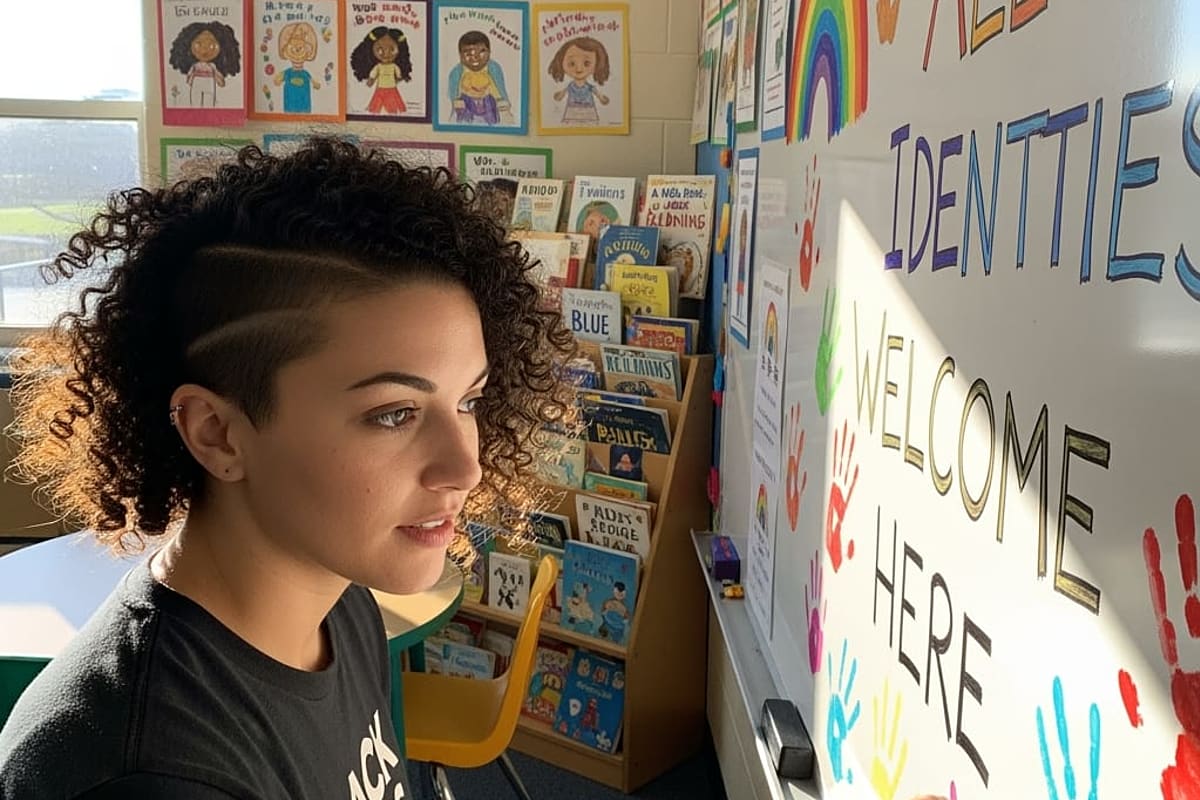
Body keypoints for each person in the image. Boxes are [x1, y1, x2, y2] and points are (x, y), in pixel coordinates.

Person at [0, 138, 577, 798]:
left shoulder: (344, 603)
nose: (465, 466)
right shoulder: (158, 770)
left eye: (467, 400)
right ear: (218, 434)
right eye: (394, 413)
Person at [167, 20, 242, 107]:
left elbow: (218, 76)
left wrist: (220, 81)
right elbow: (190, 76)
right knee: (195, 100)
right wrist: (190, 81)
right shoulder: (195, 66)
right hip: (197, 84)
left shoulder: (212, 66)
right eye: (199, 44)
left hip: (209, 84)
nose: (204, 50)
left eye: (211, 45)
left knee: (209, 102)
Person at [448, 30, 511, 125]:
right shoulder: (456, 73)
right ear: (460, 55)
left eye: (481, 51)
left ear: (489, 52)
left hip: (489, 104)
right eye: (468, 53)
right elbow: (454, 96)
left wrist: (503, 105)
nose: (475, 57)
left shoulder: (494, 68)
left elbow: (501, 90)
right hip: (467, 105)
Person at [547, 36, 611, 126]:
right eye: (572, 63)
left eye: (587, 63)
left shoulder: (590, 87)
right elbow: (560, 95)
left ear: (598, 64)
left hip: (588, 112)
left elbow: (599, 96)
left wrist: (602, 99)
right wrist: (558, 96)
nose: (579, 69)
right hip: (572, 111)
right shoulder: (570, 86)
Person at [350, 25, 413, 115]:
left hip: (392, 87)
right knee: (376, 105)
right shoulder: (378, 66)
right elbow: (373, 74)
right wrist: (370, 80)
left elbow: (398, 74)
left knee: (393, 106)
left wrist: (400, 77)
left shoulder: (394, 66)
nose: (386, 54)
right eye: (380, 50)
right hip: (381, 87)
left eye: (392, 50)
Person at [273, 21, 322, 113]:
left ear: (309, 51)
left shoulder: (305, 74)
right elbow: (277, 81)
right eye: (292, 46)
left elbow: (315, 84)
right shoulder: (288, 73)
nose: (297, 49)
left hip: (304, 107)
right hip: (290, 106)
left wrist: (316, 84)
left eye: (301, 47)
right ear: (285, 50)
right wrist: (277, 79)